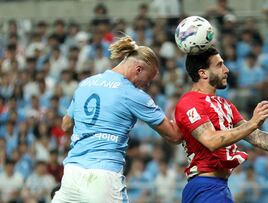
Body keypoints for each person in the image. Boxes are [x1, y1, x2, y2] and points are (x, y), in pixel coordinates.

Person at [174, 47, 268, 203]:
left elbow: (256, 137)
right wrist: (253, 122)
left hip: (218, 187)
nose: (226, 70)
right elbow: (211, 141)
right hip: (205, 187)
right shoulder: (189, 103)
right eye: (219, 65)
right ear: (203, 73)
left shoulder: (225, 104)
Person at [52, 36, 182, 202]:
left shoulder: (86, 83)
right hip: (104, 176)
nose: (146, 86)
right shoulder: (132, 94)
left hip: (72, 172)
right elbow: (174, 136)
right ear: (139, 69)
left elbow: (65, 125)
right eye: (148, 80)